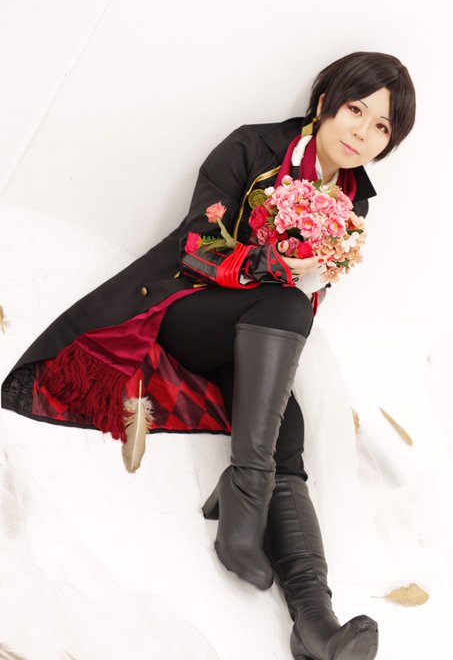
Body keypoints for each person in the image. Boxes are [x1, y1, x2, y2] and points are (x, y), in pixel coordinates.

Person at [1, 51, 416, 660]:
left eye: (381, 126)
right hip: (185, 309)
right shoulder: (252, 146)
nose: (363, 132)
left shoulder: (354, 203)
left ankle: (316, 623)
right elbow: (195, 245)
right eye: (356, 109)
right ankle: (245, 495)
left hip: (255, 338)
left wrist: (305, 279)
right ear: (326, 99)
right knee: (286, 304)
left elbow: (312, 293)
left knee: (289, 432)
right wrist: (272, 264)